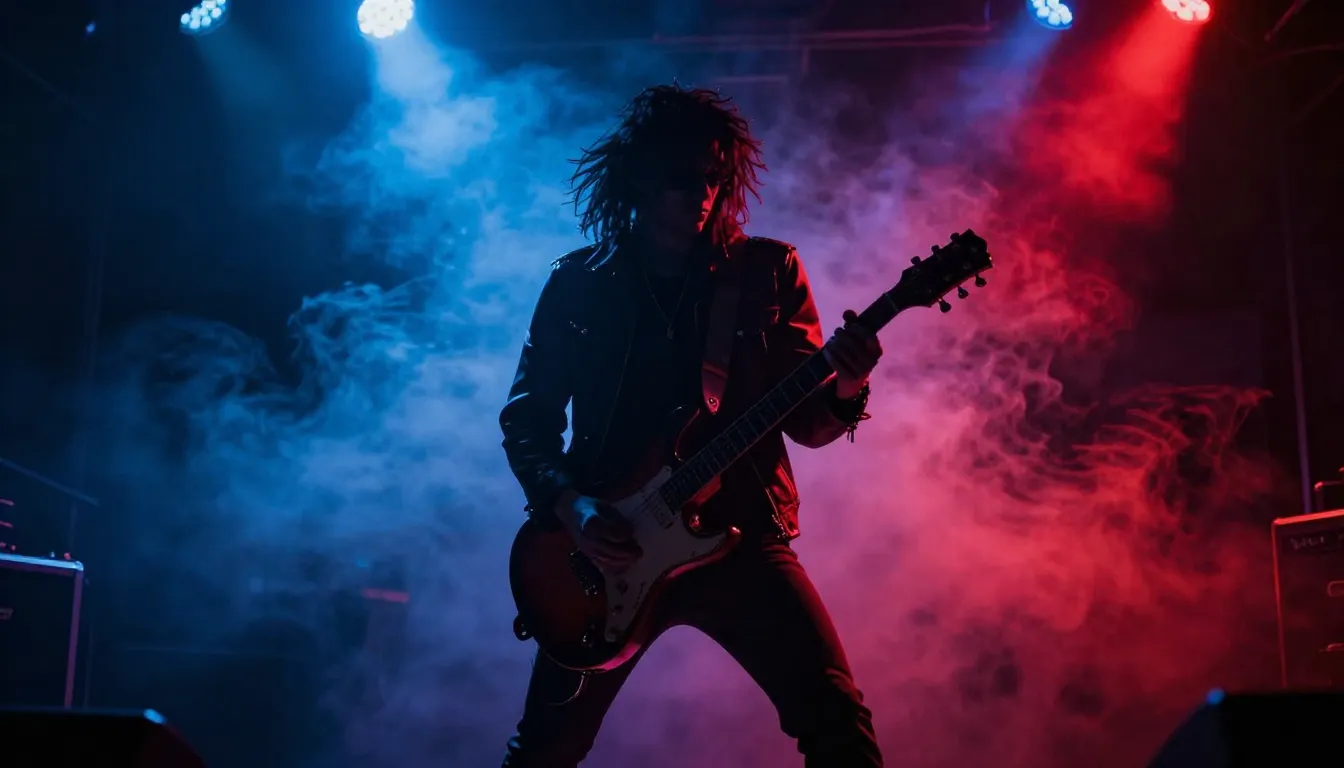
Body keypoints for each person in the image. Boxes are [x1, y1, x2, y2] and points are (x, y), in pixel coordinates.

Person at [498, 84, 885, 767]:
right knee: (543, 753)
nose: (701, 194)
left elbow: (809, 425)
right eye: (682, 177)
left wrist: (849, 385)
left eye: (713, 178)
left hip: (741, 536)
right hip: (608, 548)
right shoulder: (579, 283)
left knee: (839, 728)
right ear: (640, 177)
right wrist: (573, 507)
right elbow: (527, 420)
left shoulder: (767, 271)